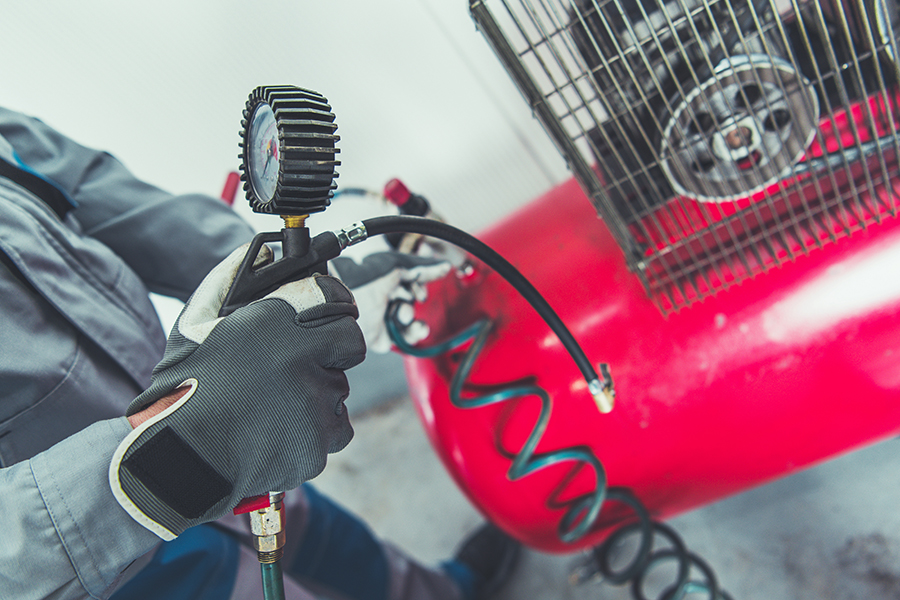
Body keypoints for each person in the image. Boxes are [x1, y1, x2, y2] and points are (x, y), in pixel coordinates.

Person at [0, 106, 519, 600]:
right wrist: (173, 452)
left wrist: (303, 283)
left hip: (225, 400)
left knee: (337, 548)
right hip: (107, 555)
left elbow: (106, 195)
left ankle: (445, 592)